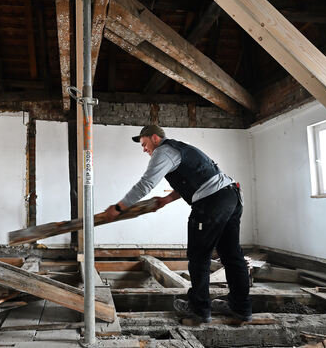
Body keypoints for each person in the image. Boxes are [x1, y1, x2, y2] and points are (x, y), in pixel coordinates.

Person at [104, 125, 251, 323]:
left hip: (211, 203)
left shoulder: (163, 151)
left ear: (155, 138)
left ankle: (199, 308)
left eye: (144, 143)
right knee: (232, 255)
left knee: (199, 256)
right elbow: (195, 179)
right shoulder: (180, 149)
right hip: (230, 196)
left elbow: (145, 184)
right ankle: (241, 307)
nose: (144, 149)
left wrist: (119, 207)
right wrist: (166, 200)